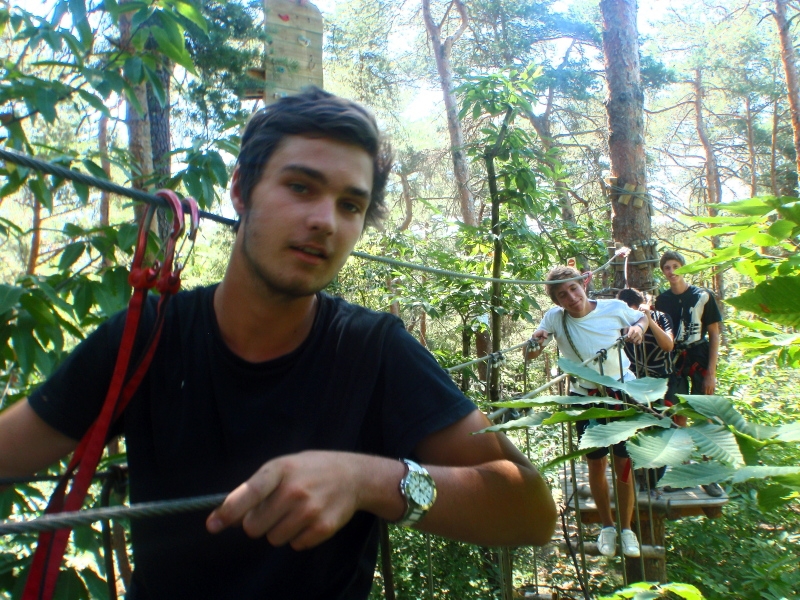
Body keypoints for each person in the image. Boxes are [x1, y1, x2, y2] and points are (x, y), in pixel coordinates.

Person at [0, 88, 557, 599]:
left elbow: (530, 509)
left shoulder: (372, 350)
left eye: (350, 205)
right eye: (300, 187)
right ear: (241, 189)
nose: (325, 222)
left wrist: (369, 480)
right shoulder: (150, 336)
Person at [525, 266, 647, 559]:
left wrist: (638, 328)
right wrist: (536, 341)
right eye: (562, 295)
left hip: (621, 394)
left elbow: (642, 316)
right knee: (596, 464)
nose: (571, 297)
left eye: (574, 289)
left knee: (624, 465)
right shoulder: (555, 318)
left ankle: (626, 529)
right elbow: (530, 354)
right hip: (586, 399)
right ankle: (607, 526)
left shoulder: (614, 308)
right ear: (557, 301)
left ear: (584, 284)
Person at [654, 250, 724, 497]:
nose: (671, 272)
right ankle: (682, 472)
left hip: (700, 356)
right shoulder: (662, 301)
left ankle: (708, 474)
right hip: (675, 360)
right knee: (677, 415)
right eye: (666, 268)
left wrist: (711, 373)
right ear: (662, 272)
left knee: (704, 415)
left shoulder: (703, 296)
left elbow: (714, 332)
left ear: (683, 268)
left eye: (675, 266)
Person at [617, 288, 675, 491]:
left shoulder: (661, 317)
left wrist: (648, 319)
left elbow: (668, 345)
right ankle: (636, 477)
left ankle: (654, 481)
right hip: (632, 383)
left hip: (659, 383)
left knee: (660, 430)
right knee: (632, 430)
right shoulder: (618, 321)